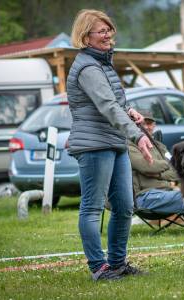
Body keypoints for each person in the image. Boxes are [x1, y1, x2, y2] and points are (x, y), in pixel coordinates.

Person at [67, 9, 154, 281]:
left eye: (109, 30)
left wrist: (131, 111)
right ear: (85, 36)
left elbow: (115, 102)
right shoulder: (88, 67)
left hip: (113, 142)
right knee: (92, 208)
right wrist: (137, 135)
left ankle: (117, 263)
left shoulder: (103, 63)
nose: (108, 35)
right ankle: (99, 267)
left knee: (125, 206)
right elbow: (106, 105)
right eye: (101, 31)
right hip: (94, 145)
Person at [129, 115, 184, 215]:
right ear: (134, 126)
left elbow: (178, 172)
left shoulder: (160, 146)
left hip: (167, 192)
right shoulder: (130, 146)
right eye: (143, 124)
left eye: (149, 124)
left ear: (154, 126)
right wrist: (168, 164)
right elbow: (148, 167)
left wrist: (160, 175)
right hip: (144, 197)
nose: (147, 127)